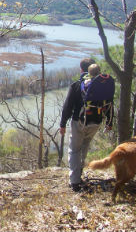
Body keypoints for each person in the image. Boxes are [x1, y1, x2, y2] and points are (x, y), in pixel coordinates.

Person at [60, 58, 113, 192]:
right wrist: (109, 122)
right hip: (96, 122)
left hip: (80, 122)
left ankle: (74, 181)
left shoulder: (78, 85)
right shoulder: (104, 85)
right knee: (84, 146)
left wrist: (63, 124)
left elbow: (67, 107)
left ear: (82, 70)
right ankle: (79, 173)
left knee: (74, 149)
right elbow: (110, 104)